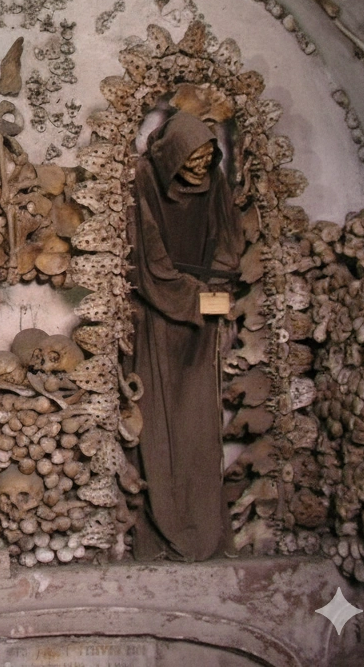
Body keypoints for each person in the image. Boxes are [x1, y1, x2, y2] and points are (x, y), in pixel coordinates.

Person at [128, 110, 243, 561]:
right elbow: (149, 254)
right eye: (191, 158)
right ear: (173, 153)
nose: (199, 167)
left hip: (202, 317)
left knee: (199, 427)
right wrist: (191, 295)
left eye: (207, 157)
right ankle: (163, 528)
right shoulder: (142, 178)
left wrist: (216, 286)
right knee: (157, 425)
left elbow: (228, 238)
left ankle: (202, 527)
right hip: (158, 316)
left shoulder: (214, 183)